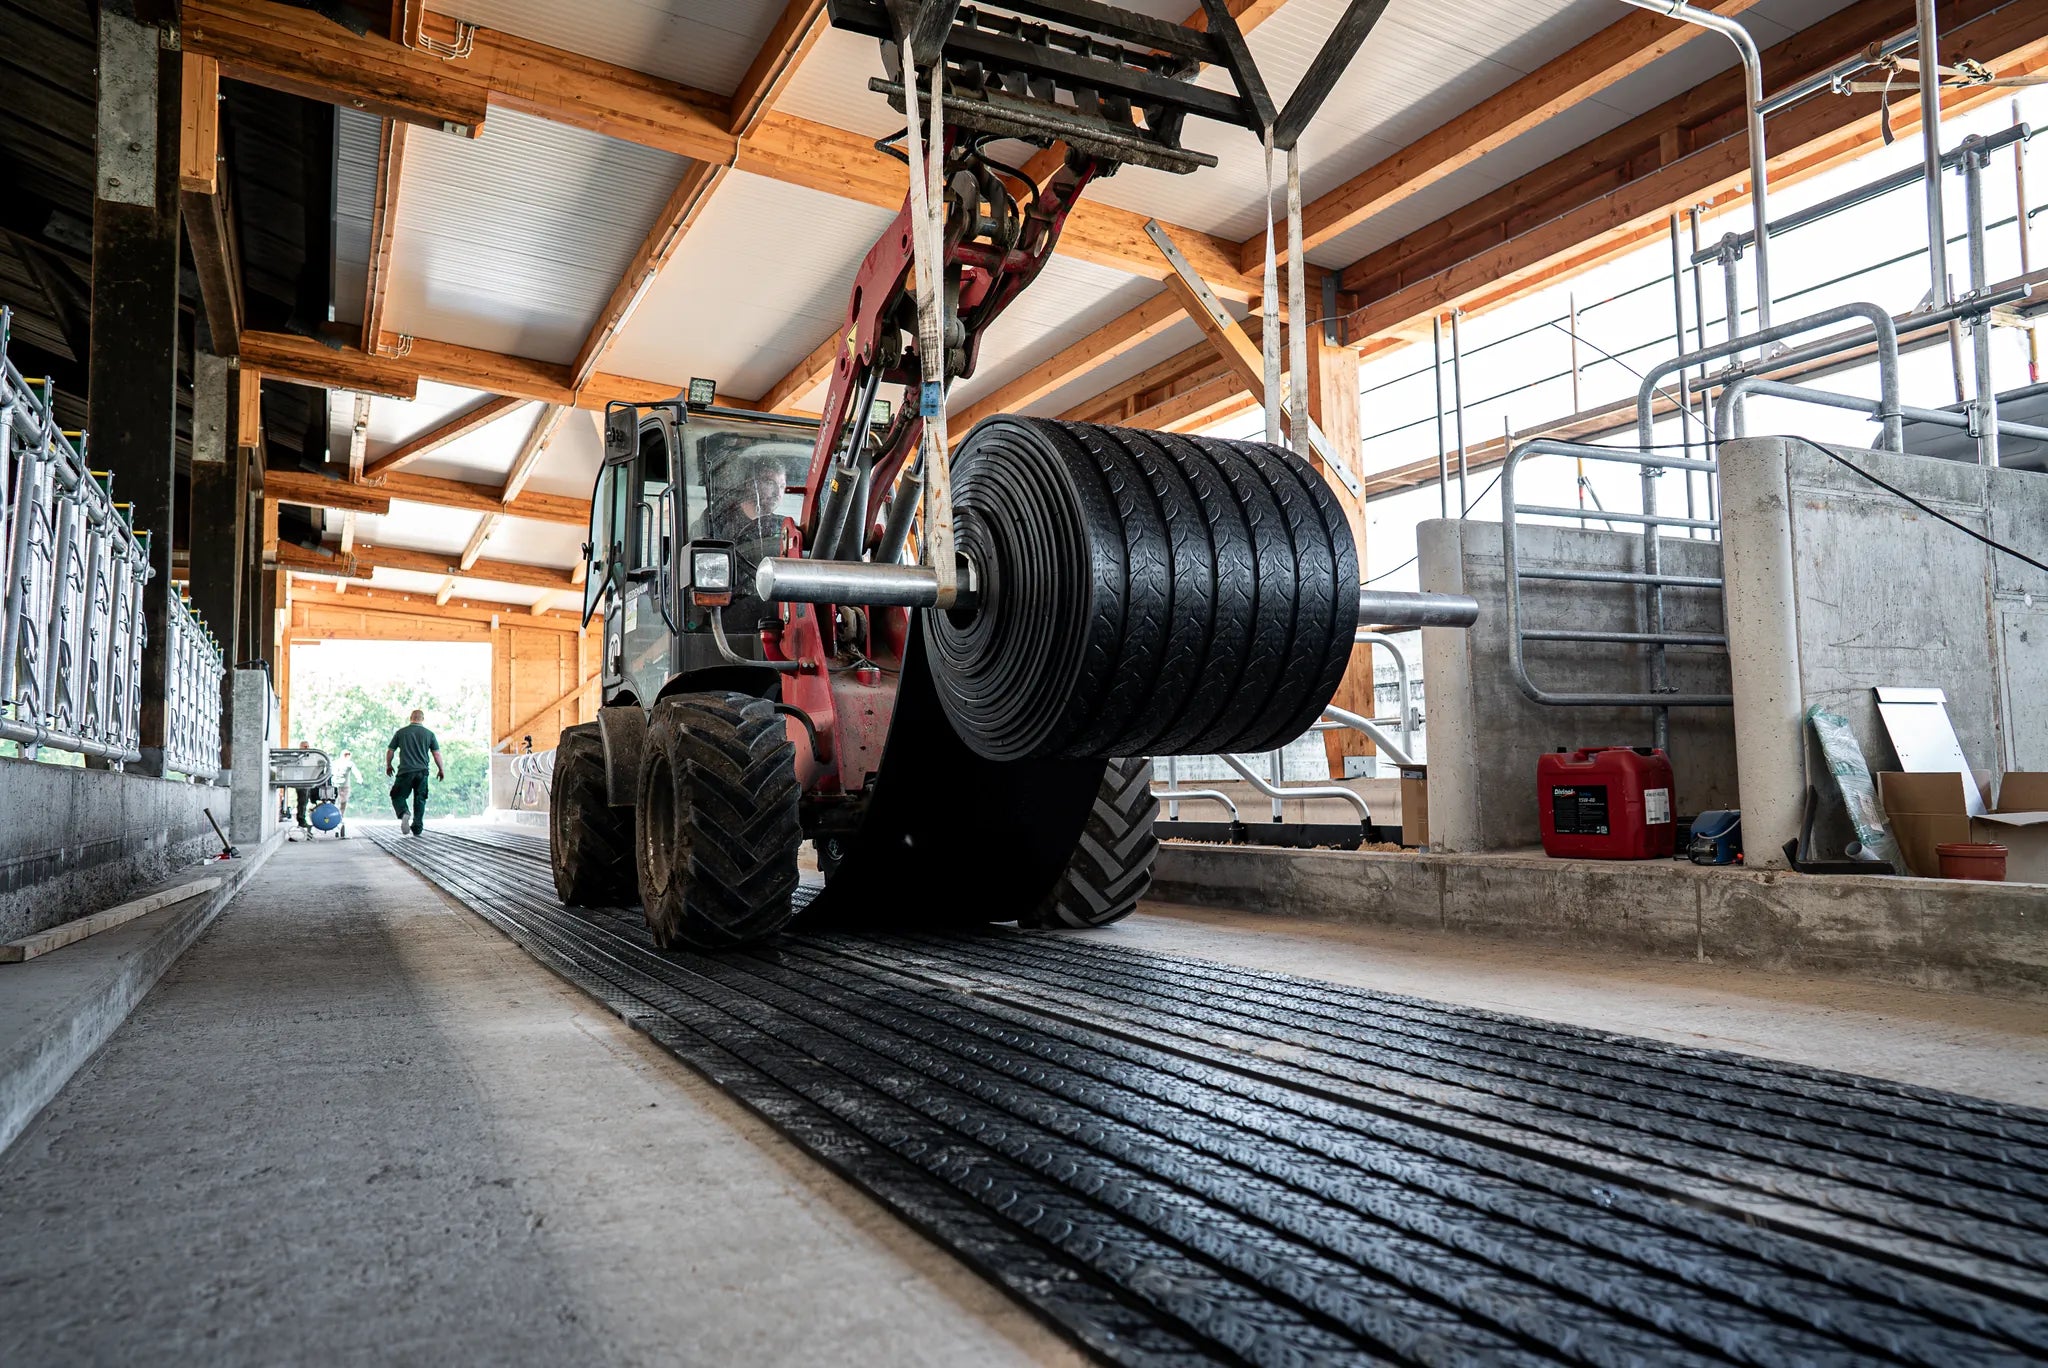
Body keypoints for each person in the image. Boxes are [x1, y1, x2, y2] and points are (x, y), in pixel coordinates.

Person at [385, 710, 446, 837]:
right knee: (420, 799)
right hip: (422, 772)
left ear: (410, 718)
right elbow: (436, 754)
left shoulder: (401, 733)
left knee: (397, 796)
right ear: (422, 719)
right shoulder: (429, 734)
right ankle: (417, 827)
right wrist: (441, 769)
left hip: (405, 771)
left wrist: (389, 765)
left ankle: (404, 812)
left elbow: (390, 751)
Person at [334, 749, 363, 829]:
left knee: (343, 802)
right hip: (335, 785)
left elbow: (355, 771)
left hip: (345, 786)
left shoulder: (350, 764)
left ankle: (340, 817)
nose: (347, 756)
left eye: (348, 755)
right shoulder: (336, 763)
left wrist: (359, 778)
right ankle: (333, 816)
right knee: (334, 801)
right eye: (345, 754)